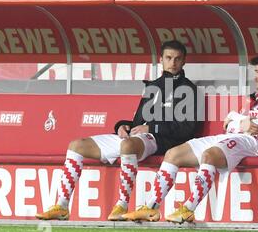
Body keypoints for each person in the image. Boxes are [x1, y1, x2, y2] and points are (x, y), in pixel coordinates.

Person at [35, 40, 200, 221]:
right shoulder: (152, 86)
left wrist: (152, 127)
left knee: (128, 145)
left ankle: (122, 205)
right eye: (169, 58)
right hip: (137, 137)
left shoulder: (190, 90)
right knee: (77, 145)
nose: (173, 63)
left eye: (177, 59)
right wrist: (122, 126)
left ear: (184, 62)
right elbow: (139, 121)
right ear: (161, 59)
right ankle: (62, 206)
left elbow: (187, 130)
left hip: (159, 140)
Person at [122, 53, 258, 223]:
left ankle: (188, 209)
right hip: (232, 136)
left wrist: (238, 120)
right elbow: (230, 124)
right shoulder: (255, 98)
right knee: (174, 154)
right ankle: (150, 207)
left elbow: (257, 125)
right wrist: (239, 119)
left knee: (209, 156)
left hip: (253, 143)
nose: (255, 77)